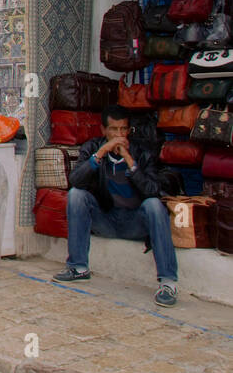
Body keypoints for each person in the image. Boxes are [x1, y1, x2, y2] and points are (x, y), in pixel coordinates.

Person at [55, 104, 178, 308]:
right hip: (107, 219)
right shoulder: (92, 148)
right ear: (104, 130)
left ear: (129, 131)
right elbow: (75, 180)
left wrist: (130, 161)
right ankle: (78, 268)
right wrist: (100, 154)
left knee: (154, 205)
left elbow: (152, 190)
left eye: (123, 129)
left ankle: (168, 283)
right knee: (76, 195)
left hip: (135, 223)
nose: (119, 134)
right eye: (114, 129)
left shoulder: (142, 153)